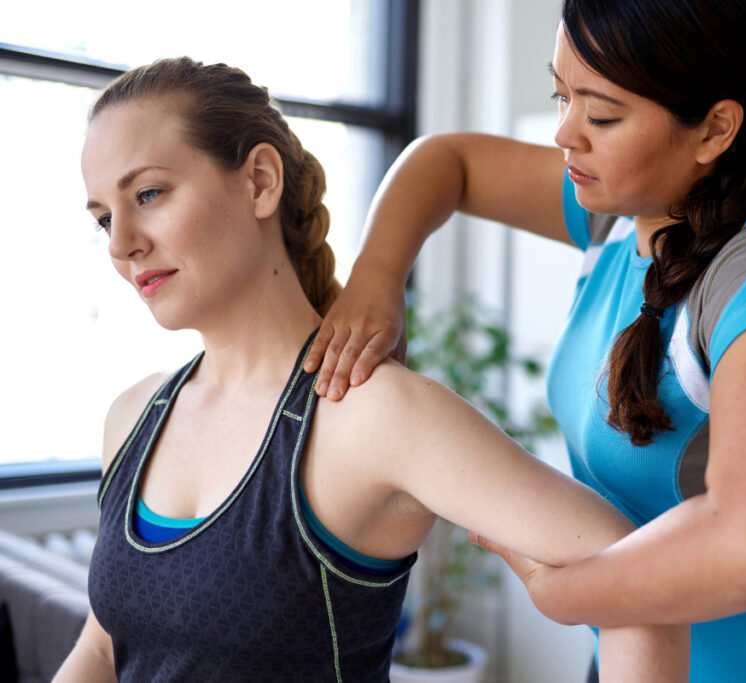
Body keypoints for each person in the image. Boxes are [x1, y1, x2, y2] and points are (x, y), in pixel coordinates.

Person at [55, 57, 689, 682]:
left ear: (259, 182)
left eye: (148, 194)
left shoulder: (371, 415)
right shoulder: (132, 418)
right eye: (105, 217)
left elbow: (639, 583)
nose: (120, 243)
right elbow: (104, 651)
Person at [304, 0, 746, 680]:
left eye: (601, 115)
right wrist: (376, 278)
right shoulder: (621, 217)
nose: (564, 133)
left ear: (715, 128)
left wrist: (565, 593)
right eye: (561, 95)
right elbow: (447, 163)